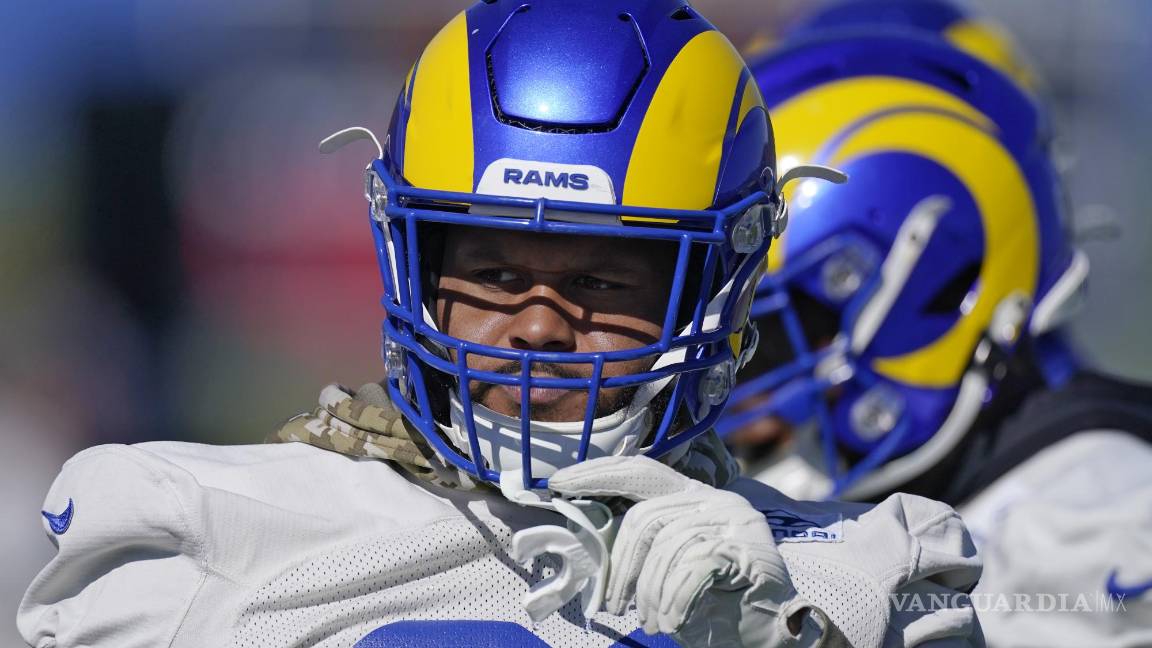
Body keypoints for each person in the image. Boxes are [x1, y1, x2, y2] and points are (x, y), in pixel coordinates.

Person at [19, 2, 985, 646]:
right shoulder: (201, 533)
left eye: (603, 278)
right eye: (492, 270)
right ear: (418, 268)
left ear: (719, 293)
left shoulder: (865, 574)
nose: (536, 327)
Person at [721, 15, 1152, 647]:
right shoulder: (928, 500)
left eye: (767, 343)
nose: (743, 412)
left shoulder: (1096, 528)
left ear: (934, 296)